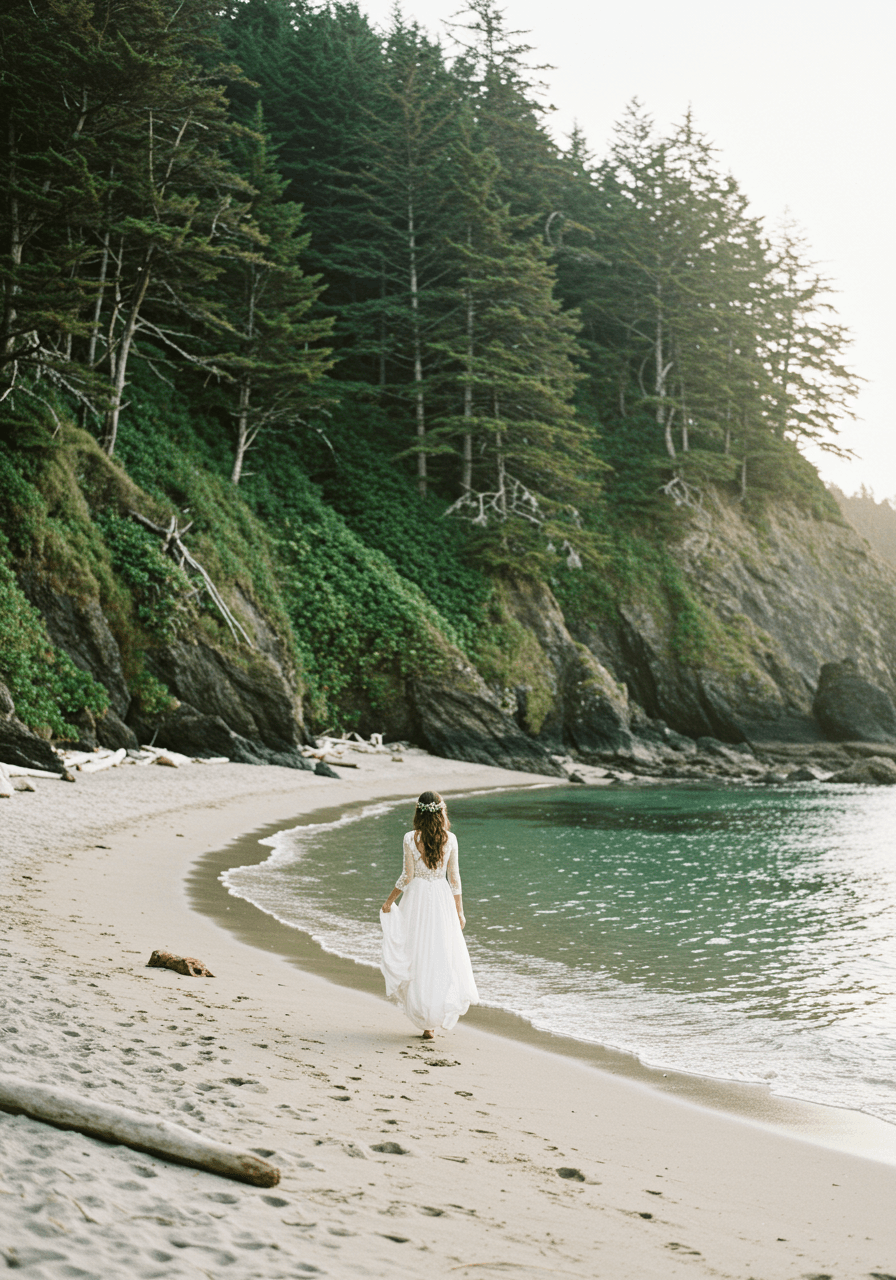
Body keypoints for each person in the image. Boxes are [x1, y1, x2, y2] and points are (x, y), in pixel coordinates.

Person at [380, 791, 479, 1039]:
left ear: (418, 812)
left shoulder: (410, 838)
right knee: (440, 954)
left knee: (417, 954)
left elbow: (407, 876)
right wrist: (460, 912)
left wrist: (390, 900)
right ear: (442, 812)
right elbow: (454, 880)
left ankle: (425, 1018)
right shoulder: (451, 839)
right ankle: (431, 1022)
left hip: (418, 899)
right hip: (442, 900)